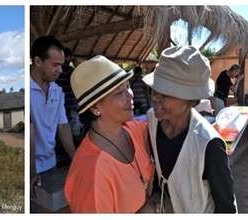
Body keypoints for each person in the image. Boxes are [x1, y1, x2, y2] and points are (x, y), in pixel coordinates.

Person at [144, 46, 236, 213]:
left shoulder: (209, 144)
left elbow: (226, 207)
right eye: (154, 89)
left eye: (165, 93)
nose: (155, 97)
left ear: (191, 100)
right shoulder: (152, 120)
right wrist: (158, 192)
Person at [64, 56, 155, 213]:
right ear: (95, 108)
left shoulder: (136, 130)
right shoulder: (91, 173)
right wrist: (149, 209)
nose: (130, 95)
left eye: (128, 86)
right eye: (120, 92)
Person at [29, 36, 76, 196]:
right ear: (38, 61)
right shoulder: (27, 91)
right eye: (55, 65)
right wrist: (31, 172)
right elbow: (30, 130)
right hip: (31, 167)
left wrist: (74, 157)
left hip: (51, 163)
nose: (61, 71)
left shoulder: (57, 91)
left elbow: (62, 125)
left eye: (61, 65)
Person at [54, 48, 82, 143]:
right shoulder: (69, 70)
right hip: (70, 103)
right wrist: (76, 65)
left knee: (59, 125)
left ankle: (60, 143)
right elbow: (80, 81)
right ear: (67, 57)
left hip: (58, 102)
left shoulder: (55, 71)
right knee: (68, 126)